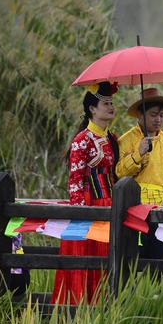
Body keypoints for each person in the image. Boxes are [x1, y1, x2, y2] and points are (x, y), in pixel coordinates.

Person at [52, 81, 118, 305]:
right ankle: (78, 308)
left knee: (107, 258)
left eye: (112, 103)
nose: (111, 107)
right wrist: (82, 213)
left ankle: (104, 306)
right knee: (85, 255)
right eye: (105, 103)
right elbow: (75, 181)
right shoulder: (83, 140)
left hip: (109, 203)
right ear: (92, 109)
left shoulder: (112, 139)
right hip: (89, 204)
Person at [115, 88, 163, 260]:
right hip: (138, 208)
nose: (158, 119)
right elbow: (120, 173)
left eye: (161, 115)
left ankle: (156, 287)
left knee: (161, 252)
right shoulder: (127, 140)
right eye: (154, 114)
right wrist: (138, 154)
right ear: (140, 115)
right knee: (135, 256)